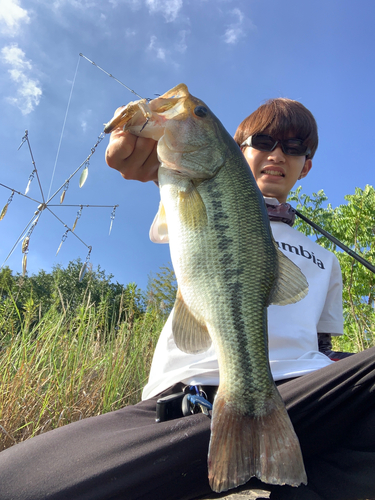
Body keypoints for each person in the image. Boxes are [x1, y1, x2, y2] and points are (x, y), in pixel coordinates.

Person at [0, 98, 374, 500]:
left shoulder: (326, 259)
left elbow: (323, 347)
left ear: (307, 164)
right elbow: (161, 166)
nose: (278, 153)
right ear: (237, 148)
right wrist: (147, 139)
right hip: (183, 397)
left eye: (295, 147)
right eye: (262, 141)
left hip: (308, 394)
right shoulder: (184, 184)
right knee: (16, 483)